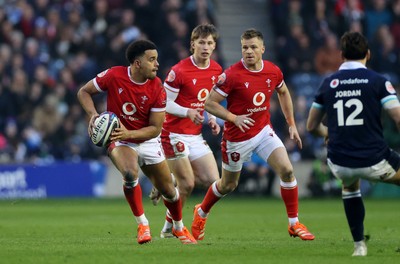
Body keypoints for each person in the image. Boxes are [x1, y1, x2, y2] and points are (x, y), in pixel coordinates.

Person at [191, 28, 315, 241]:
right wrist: (233, 118)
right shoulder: (231, 75)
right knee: (228, 185)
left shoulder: (273, 71)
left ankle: (294, 224)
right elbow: (209, 103)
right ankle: (201, 211)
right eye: (245, 47)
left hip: (263, 131)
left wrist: (291, 124)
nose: (248, 51)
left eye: (253, 47)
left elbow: (283, 92)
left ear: (262, 49)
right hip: (236, 139)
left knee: (286, 170)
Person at [77, 39, 197, 245]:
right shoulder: (114, 75)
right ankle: (143, 224)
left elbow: (155, 129)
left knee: (169, 191)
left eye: (156, 59)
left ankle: (178, 227)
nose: (157, 64)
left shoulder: (157, 87)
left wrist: (128, 134)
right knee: (130, 173)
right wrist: (94, 115)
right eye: (152, 60)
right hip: (119, 140)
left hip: (146, 139)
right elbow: (83, 92)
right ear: (137, 63)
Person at [306, 31, 400, 256]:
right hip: (374, 158)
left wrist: (328, 131)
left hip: (339, 160)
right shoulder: (378, 81)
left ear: (341, 55)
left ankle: (359, 246)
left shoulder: (329, 83)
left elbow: (311, 126)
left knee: (350, 185)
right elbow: (397, 117)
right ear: (368, 54)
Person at [149, 24, 223, 238]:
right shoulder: (179, 71)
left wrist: (213, 119)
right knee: (188, 184)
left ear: (215, 46)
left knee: (213, 181)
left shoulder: (217, 70)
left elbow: (209, 100)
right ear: (192, 44)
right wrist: (187, 112)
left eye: (209, 43)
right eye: (201, 42)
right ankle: (169, 229)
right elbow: (164, 103)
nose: (205, 47)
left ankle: (168, 181)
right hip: (172, 133)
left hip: (195, 134)